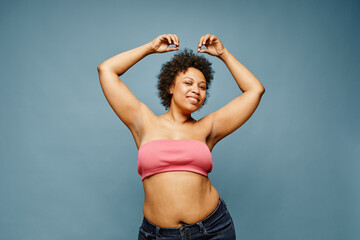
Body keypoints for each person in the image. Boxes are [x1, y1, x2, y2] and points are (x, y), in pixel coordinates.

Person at [97, 34, 265, 239]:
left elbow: (255, 90)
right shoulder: (143, 121)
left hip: (212, 230)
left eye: (202, 87)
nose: (196, 90)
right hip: (158, 235)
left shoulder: (207, 127)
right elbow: (106, 70)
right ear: (170, 86)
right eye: (188, 83)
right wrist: (150, 48)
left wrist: (223, 54)